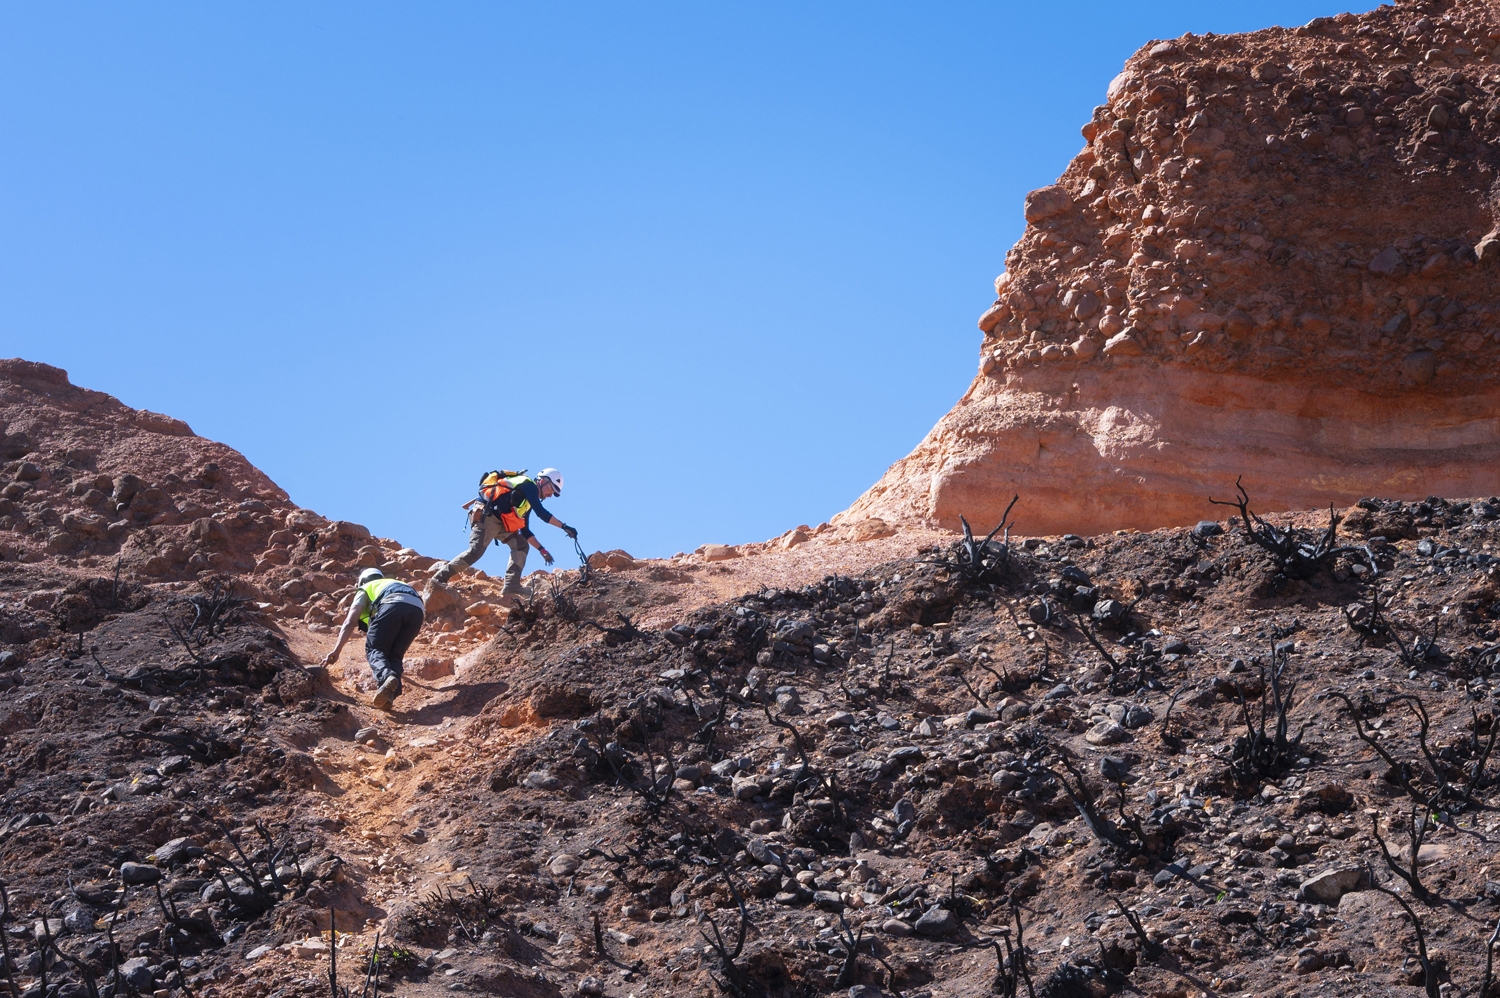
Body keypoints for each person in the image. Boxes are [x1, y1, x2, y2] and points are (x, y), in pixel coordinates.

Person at [428, 467, 576, 607]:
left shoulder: (527, 502)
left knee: (521, 544)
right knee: (475, 552)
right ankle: (439, 578)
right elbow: (542, 513)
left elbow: (525, 530)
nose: (551, 494)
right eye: (551, 489)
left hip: (501, 522)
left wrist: (542, 550)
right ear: (542, 481)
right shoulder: (528, 485)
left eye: (554, 493)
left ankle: (511, 586)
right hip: (487, 516)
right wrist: (564, 527)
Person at [323, 567, 426, 710]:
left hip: (392, 603)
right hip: (418, 610)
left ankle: (385, 676)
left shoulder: (365, 588)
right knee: (394, 656)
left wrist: (337, 650)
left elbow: (350, 621)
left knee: (375, 648)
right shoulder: (393, 583)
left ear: (361, 581)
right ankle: (388, 697)